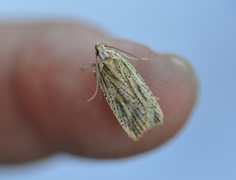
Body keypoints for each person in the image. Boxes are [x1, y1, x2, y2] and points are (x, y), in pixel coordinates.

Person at [0, 20, 198, 163]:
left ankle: (142, 119)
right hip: (126, 85)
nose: (99, 49)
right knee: (133, 89)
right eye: (99, 50)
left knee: (126, 93)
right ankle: (144, 118)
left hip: (117, 85)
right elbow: (131, 66)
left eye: (99, 50)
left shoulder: (101, 68)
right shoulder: (111, 62)